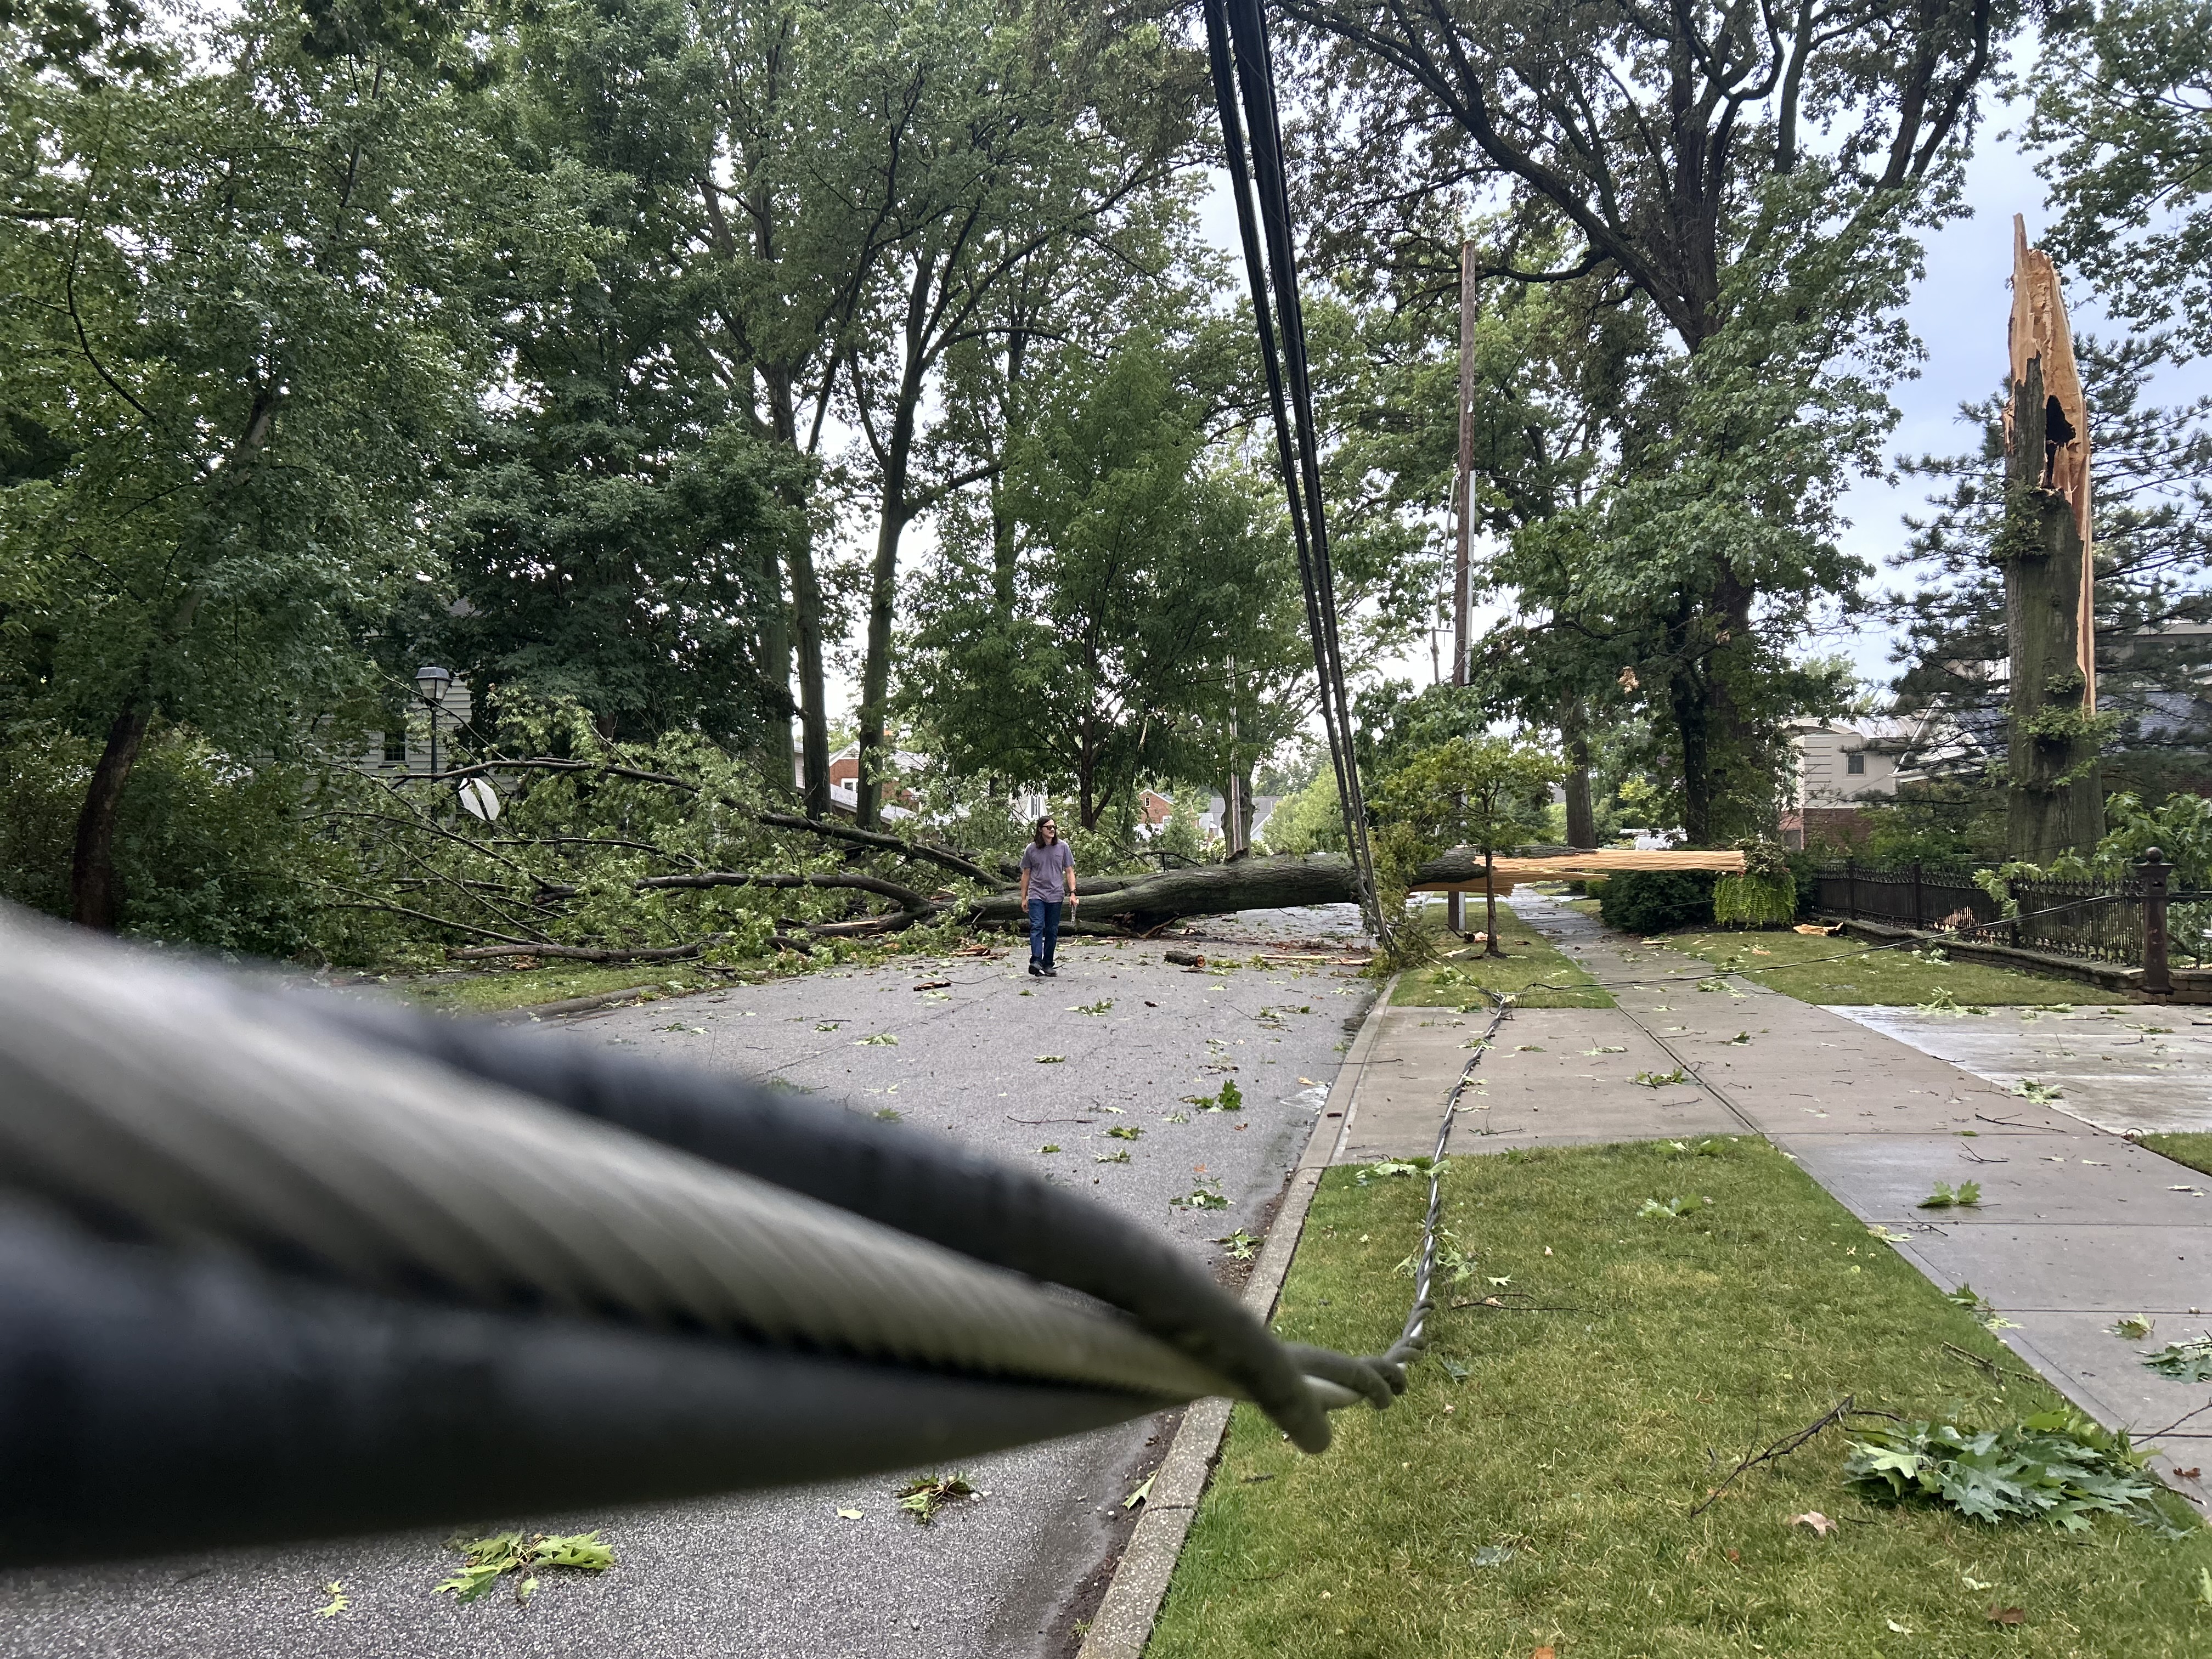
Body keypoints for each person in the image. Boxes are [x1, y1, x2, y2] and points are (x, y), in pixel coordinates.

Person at [1017, 815, 1076, 978]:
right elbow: (1026, 874)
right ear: (1040, 830)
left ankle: (1048, 963)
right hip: (1037, 894)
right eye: (1048, 827)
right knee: (1037, 926)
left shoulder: (1063, 847)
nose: (1052, 830)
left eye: (1054, 827)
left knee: (1052, 930)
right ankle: (1036, 960)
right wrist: (1024, 897)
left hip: (1056, 895)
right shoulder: (1031, 849)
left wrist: (1073, 893)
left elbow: (1070, 871)